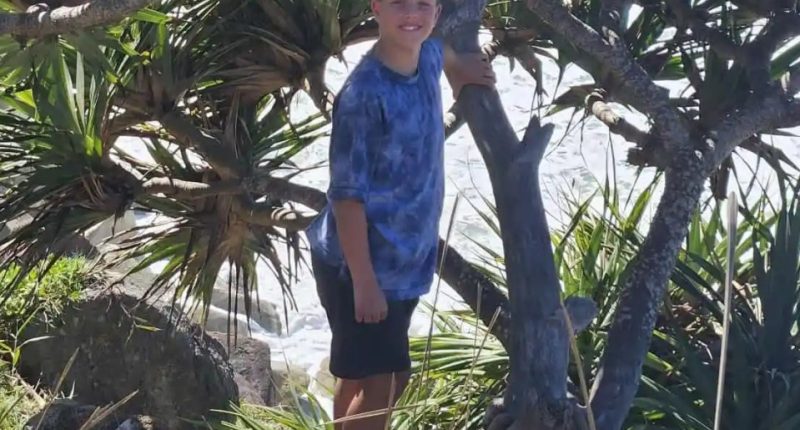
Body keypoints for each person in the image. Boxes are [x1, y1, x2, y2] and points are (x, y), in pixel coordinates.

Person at [305, 0, 495, 428]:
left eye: (423, 4)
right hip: (362, 266)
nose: (412, 13)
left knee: (358, 374)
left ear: (437, 11)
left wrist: (462, 69)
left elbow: (443, 52)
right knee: (389, 381)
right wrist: (365, 283)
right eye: (399, 3)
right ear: (376, 7)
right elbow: (347, 199)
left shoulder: (426, 54)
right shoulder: (363, 95)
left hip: (398, 261)